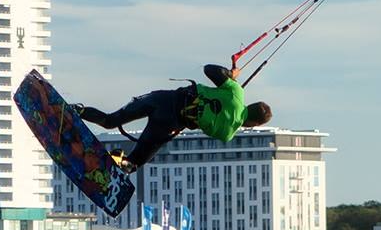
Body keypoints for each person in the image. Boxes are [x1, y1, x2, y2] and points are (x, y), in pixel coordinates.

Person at [78, 64, 273, 172]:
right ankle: (118, 160)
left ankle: (79, 111)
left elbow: (209, 69)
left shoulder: (237, 93)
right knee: (134, 163)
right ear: (254, 124)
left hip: (162, 99)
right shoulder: (227, 134)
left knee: (111, 121)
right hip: (168, 123)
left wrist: (231, 76)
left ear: (251, 105)